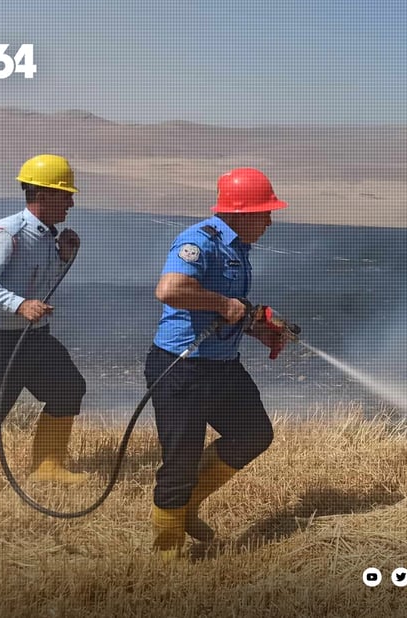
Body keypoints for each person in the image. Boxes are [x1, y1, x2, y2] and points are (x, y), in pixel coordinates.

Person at [146, 167, 289, 560]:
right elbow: (170, 289)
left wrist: (256, 329)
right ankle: (166, 555)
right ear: (241, 213)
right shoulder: (198, 241)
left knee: (254, 434)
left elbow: (222, 311)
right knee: (180, 462)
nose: (270, 220)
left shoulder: (236, 248)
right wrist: (224, 304)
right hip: (182, 367)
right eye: (265, 212)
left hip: (223, 365)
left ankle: (187, 506)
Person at [0, 154, 89, 506]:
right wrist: (19, 304)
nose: (70, 202)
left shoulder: (47, 236)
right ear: (42, 195)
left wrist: (64, 257)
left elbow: (41, 282)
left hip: (34, 339)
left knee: (69, 388)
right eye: (64, 195)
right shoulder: (8, 232)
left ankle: (48, 466)